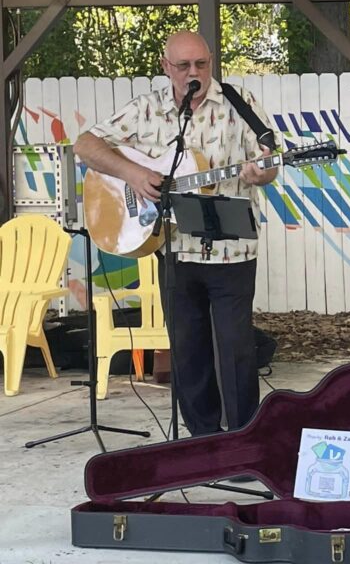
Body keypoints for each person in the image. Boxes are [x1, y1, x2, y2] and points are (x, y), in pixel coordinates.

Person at [74, 31, 279, 438]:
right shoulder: (147, 109)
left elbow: (269, 162)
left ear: (211, 62)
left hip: (231, 252)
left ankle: (243, 441)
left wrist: (264, 170)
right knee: (187, 350)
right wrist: (133, 173)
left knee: (236, 349)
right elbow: (85, 144)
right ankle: (201, 441)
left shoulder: (240, 104)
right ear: (166, 67)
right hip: (175, 249)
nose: (193, 73)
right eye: (183, 66)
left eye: (201, 64)